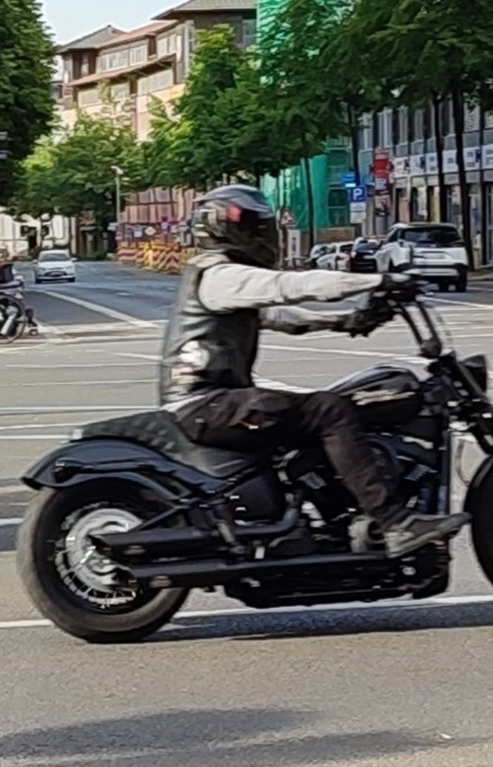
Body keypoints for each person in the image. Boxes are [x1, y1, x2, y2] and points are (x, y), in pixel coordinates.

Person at [164, 184, 458, 555]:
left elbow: (282, 317)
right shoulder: (219, 275)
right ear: (229, 227)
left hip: (214, 405)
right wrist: (374, 280)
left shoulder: (220, 279)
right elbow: (287, 287)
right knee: (330, 410)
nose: (263, 234)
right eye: (256, 225)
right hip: (208, 406)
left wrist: (348, 321)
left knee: (315, 413)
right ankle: (395, 522)